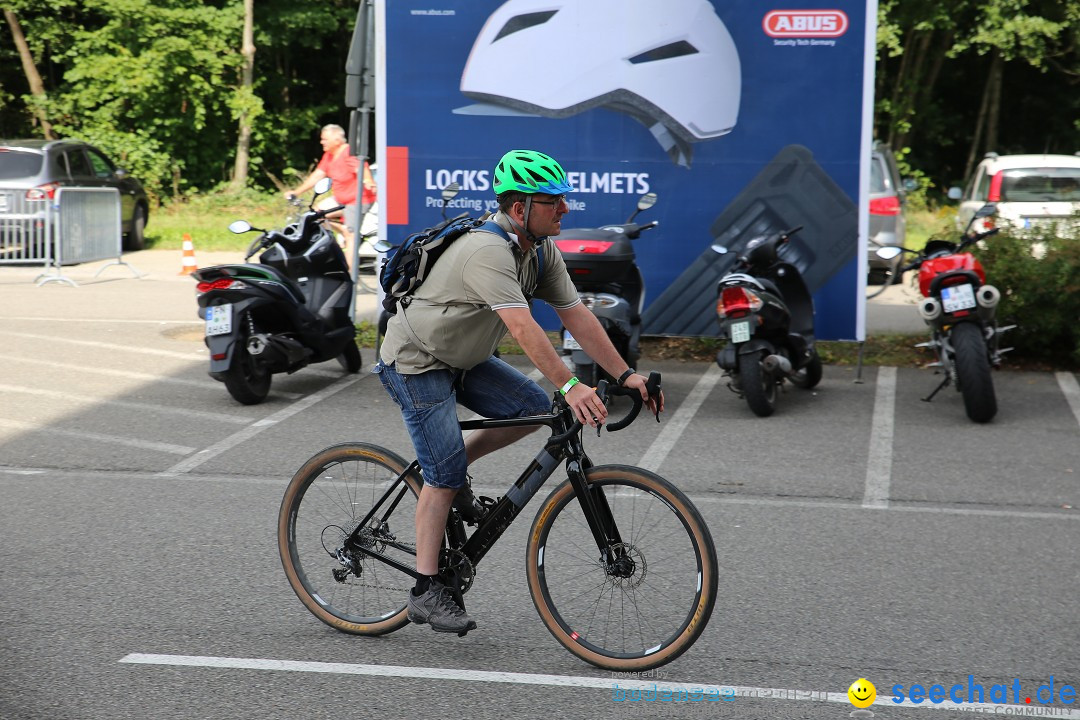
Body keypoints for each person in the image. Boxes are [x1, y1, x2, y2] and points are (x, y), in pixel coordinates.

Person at [374, 149, 664, 634]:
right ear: (519, 209)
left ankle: (451, 475)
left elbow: (576, 315)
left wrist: (624, 374)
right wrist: (571, 385)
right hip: (415, 362)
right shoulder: (486, 251)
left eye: (562, 199)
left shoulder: (539, 250)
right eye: (553, 201)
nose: (565, 209)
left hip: (463, 358)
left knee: (533, 409)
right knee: (441, 476)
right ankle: (427, 590)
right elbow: (523, 327)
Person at [284, 123, 376, 268]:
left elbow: (361, 168)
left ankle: (350, 276)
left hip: (357, 199)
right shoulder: (329, 156)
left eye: (325, 139)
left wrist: (368, 180)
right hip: (340, 199)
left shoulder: (348, 152)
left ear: (337, 139)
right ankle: (342, 231)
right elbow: (318, 175)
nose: (322, 142)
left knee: (350, 236)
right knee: (314, 215)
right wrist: (296, 192)